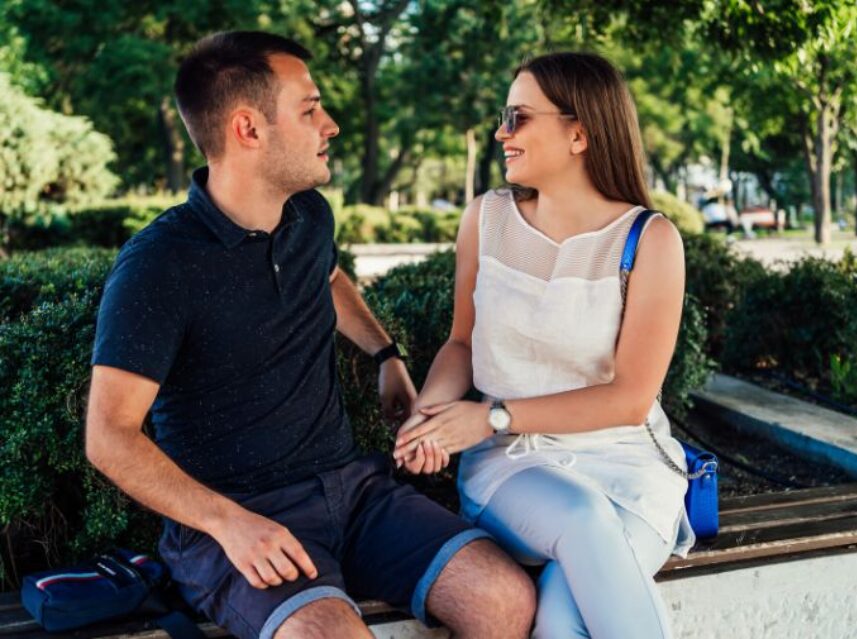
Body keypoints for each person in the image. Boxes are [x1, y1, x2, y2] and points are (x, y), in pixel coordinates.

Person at [85, 31, 535, 639]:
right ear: (248, 129)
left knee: (504, 598)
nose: (332, 124)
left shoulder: (307, 215)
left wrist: (385, 356)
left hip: (355, 490)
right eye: (310, 108)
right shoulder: (159, 265)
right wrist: (228, 523)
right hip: (238, 519)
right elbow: (109, 437)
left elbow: (328, 277)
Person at [393, 51, 695, 639]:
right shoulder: (486, 219)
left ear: (579, 133)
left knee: (559, 622)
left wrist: (489, 416)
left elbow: (630, 400)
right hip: (514, 465)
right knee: (582, 520)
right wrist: (431, 418)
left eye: (518, 117)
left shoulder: (649, 240)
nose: (501, 133)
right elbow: (461, 344)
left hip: (629, 468)